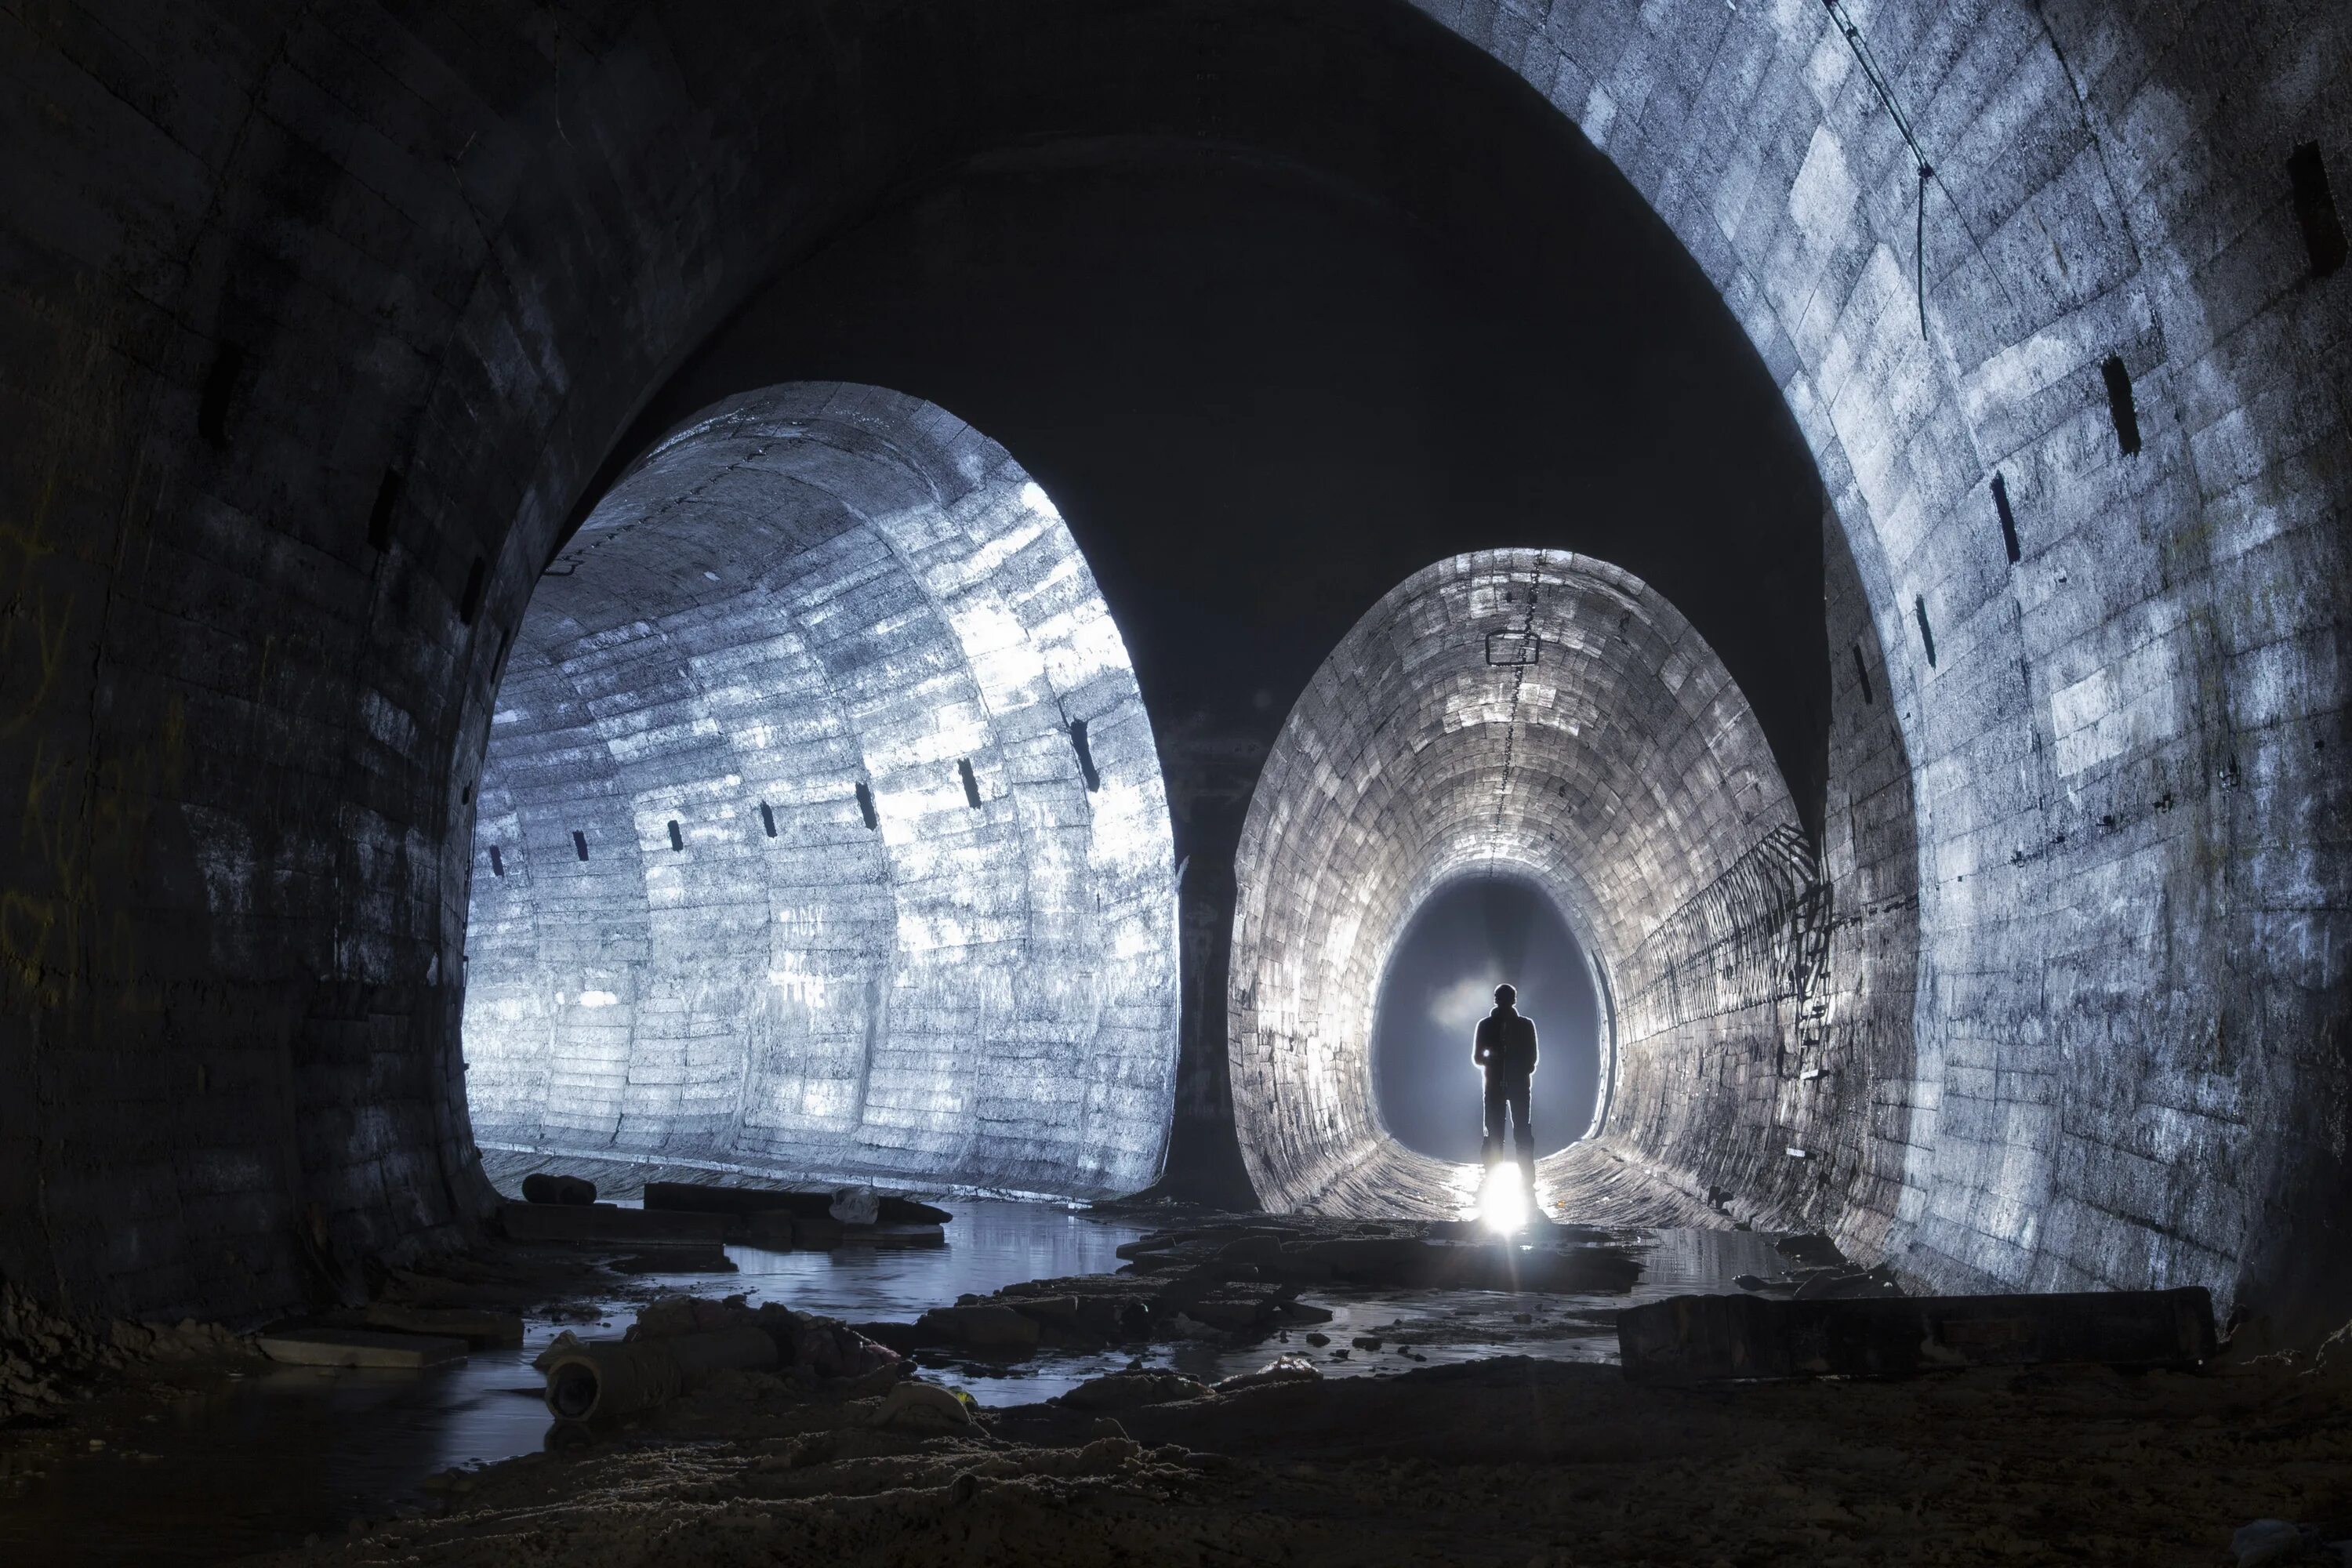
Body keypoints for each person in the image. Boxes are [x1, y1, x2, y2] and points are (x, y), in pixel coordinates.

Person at [1472, 982, 1538, 1179]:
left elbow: (1531, 1059)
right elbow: (1532, 1059)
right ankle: (1519, 1176)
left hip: (1503, 1086)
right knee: (1505, 1133)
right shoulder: (1523, 1025)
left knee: (1506, 1133)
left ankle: (1501, 1174)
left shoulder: (1487, 1025)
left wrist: (1499, 1063)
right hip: (1506, 1087)